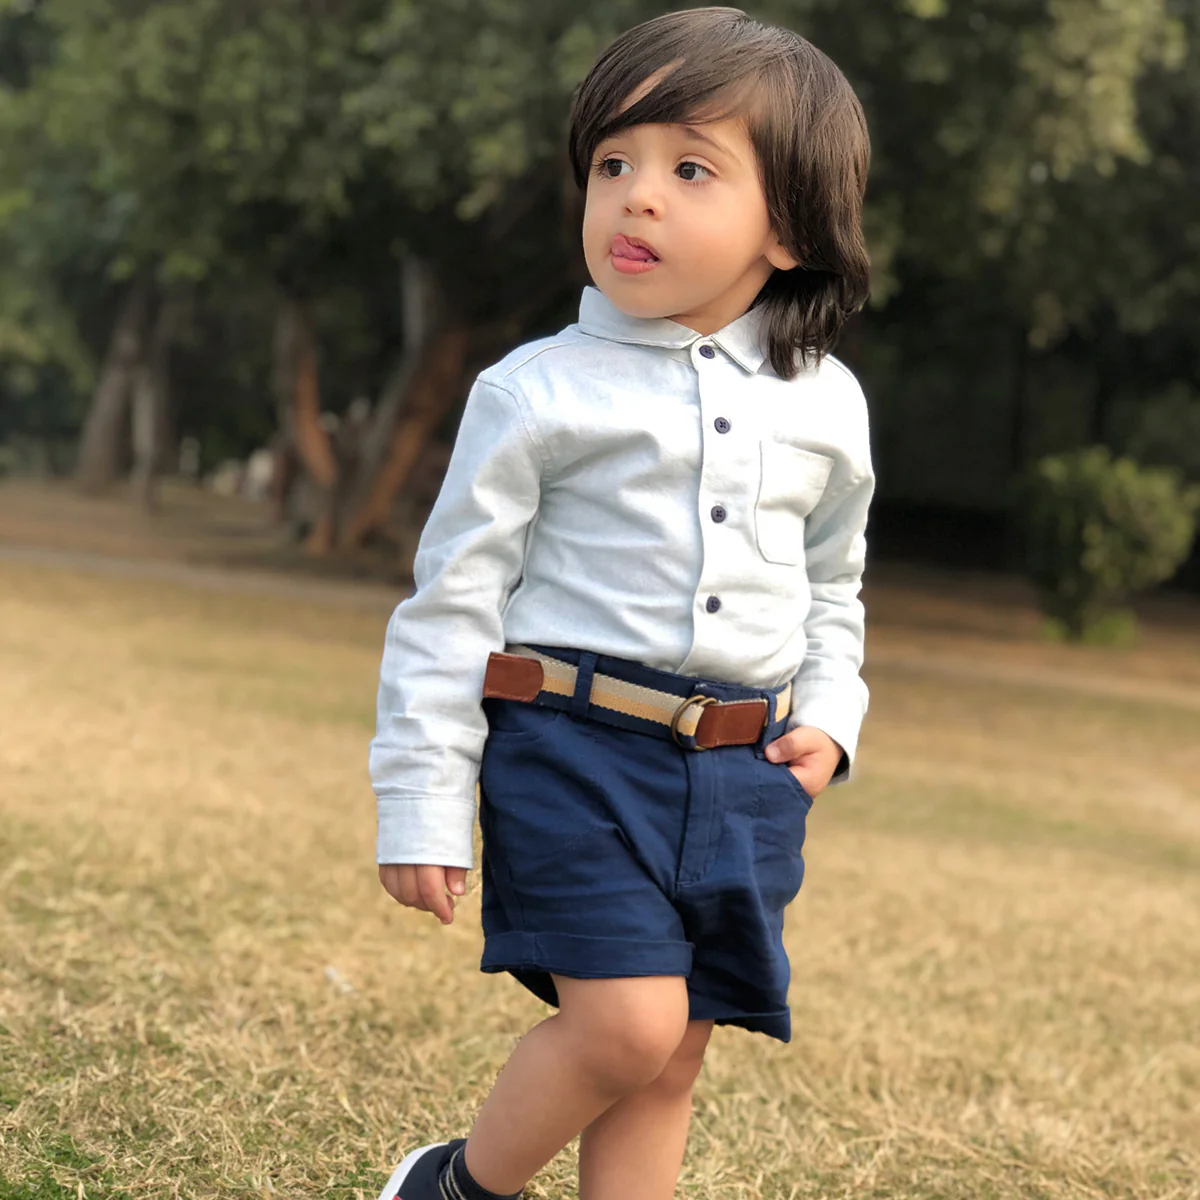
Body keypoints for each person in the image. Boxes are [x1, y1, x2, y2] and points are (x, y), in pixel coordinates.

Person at [369, 8, 873, 1199]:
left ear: (790, 227)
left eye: (690, 167)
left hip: (742, 779)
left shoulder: (829, 404)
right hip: (573, 753)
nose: (636, 197)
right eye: (612, 163)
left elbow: (836, 584)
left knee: (672, 1058)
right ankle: (448, 1189)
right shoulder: (536, 392)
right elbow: (451, 606)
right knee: (629, 1027)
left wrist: (835, 715)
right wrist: (420, 802)